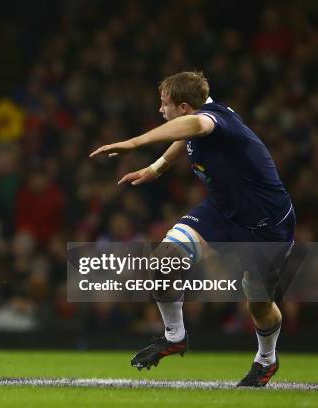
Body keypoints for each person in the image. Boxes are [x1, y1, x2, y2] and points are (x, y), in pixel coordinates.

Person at [90, 71, 295, 387]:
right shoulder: (202, 122)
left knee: (259, 302)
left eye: (164, 104)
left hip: (266, 224)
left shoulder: (212, 119)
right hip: (222, 213)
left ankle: (266, 359)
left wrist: (133, 144)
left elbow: (195, 127)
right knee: (163, 259)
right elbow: (186, 136)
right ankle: (175, 336)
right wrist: (157, 168)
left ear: (184, 107)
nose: (161, 110)